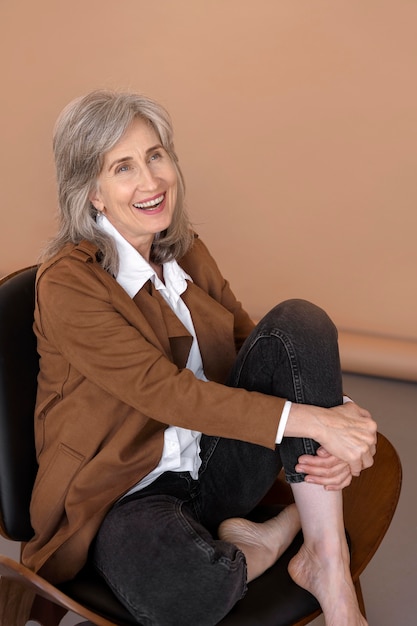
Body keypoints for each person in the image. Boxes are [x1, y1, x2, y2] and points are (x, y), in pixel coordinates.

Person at [23, 89, 377, 626]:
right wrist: (321, 422)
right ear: (92, 193)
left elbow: (259, 347)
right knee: (187, 592)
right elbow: (165, 391)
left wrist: (339, 412)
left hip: (213, 464)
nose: (151, 181)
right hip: (125, 492)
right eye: (123, 167)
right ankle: (280, 531)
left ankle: (327, 563)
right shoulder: (68, 284)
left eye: (156, 155)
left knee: (299, 323)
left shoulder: (184, 248)